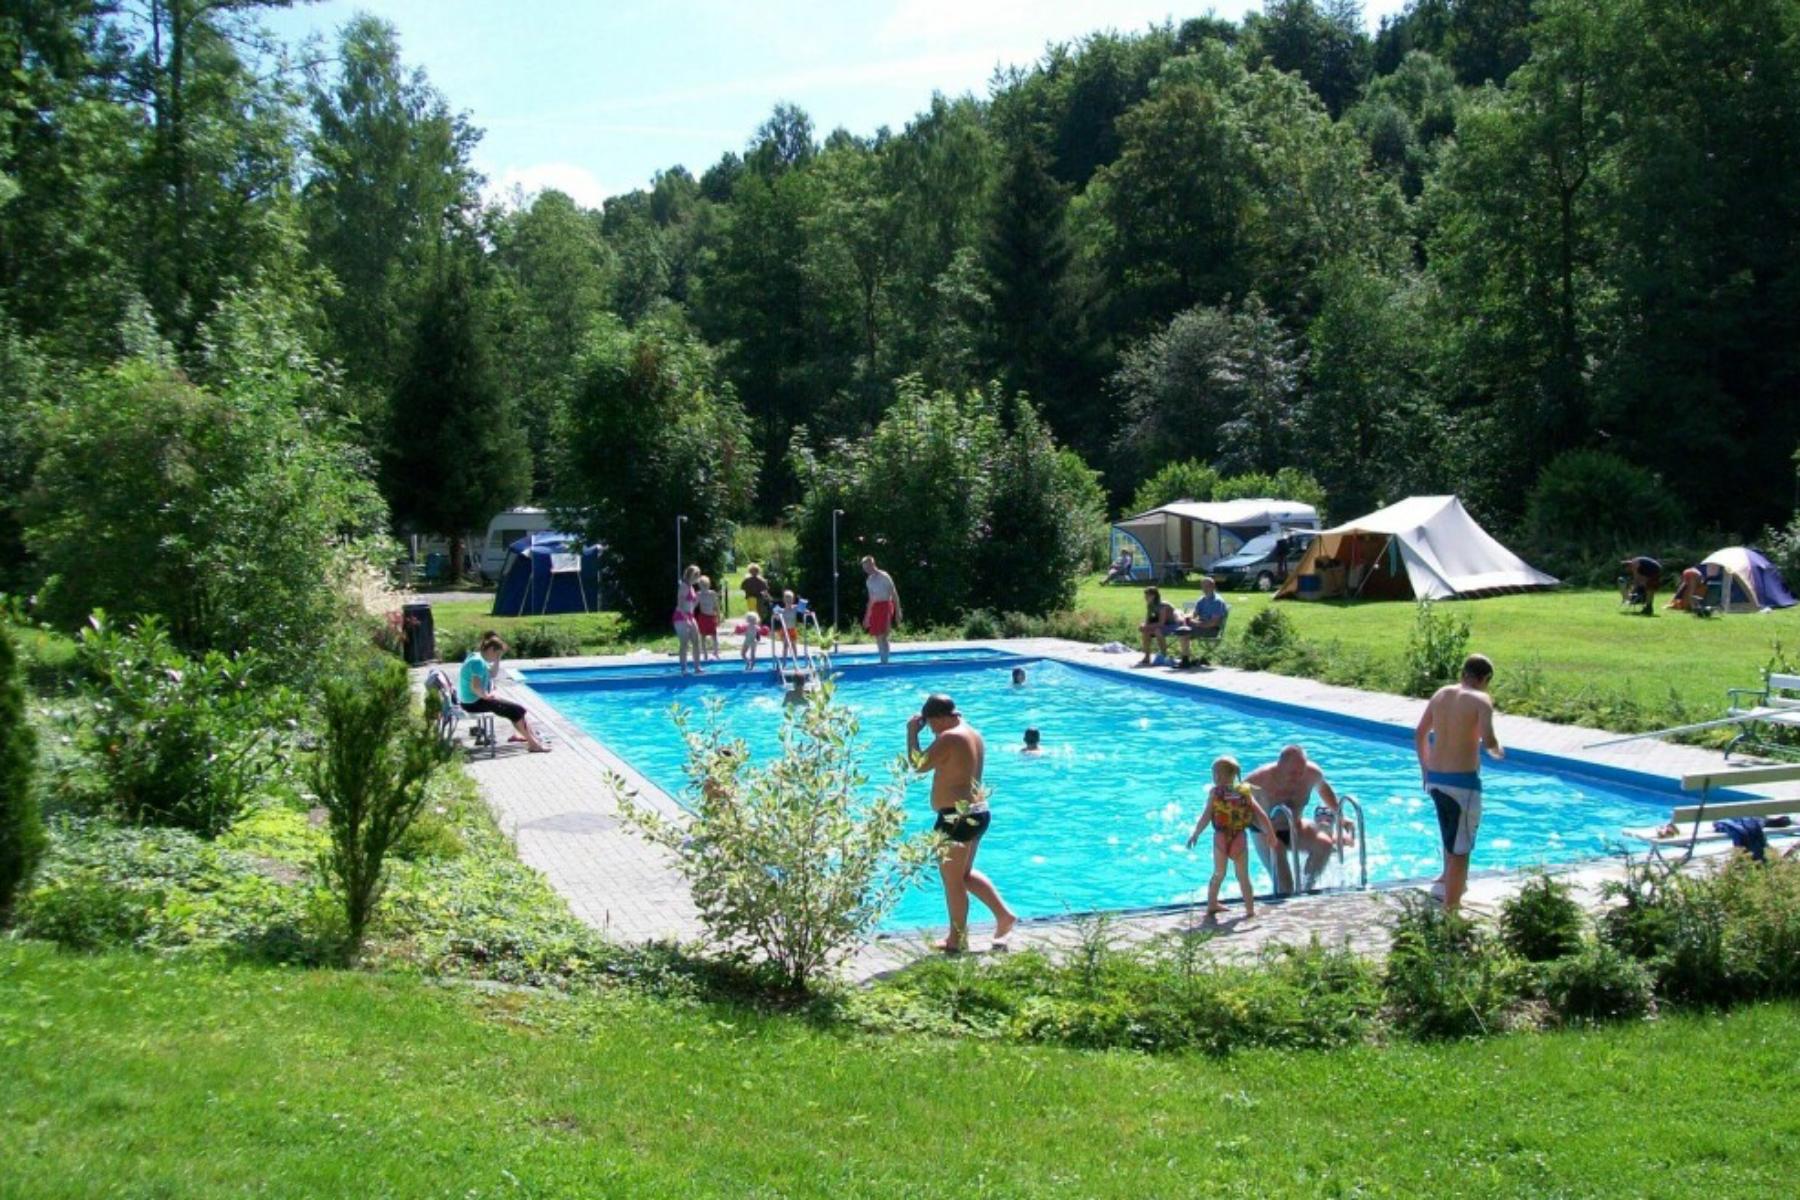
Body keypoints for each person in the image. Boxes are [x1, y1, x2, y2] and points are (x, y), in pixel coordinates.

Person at [908, 694, 1017, 952]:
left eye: (931, 725)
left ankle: (956, 940)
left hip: (956, 817)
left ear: (939, 718)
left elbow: (919, 765)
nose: (931, 730)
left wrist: (912, 733)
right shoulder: (972, 734)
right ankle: (1004, 916)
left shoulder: (950, 737)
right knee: (964, 875)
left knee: (953, 881)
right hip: (977, 812)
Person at [1415, 653, 1504, 911]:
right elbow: (1488, 740)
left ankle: (1446, 878)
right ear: (1485, 679)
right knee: (1461, 849)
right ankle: (1451, 910)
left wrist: (1425, 768)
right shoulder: (1481, 700)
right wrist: (1498, 750)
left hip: (1436, 779)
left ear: (1463, 673)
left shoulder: (1441, 694)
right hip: (1462, 784)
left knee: (1450, 833)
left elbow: (1420, 733)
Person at [1244, 745, 1344, 893]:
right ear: (1279, 766)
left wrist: (1340, 815)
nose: (1297, 777)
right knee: (1285, 887)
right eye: (1292, 773)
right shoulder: (1257, 780)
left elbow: (1323, 789)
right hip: (1265, 833)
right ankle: (1285, 892)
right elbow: (1235, 804)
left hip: (1294, 826)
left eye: (1300, 772)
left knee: (1324, 844)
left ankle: (1306, 887)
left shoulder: (1312, 773)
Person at [1186, 756, 1275, 920]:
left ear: (1218, 775)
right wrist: (1270, 833)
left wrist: (1195, 833)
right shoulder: (1245, 792)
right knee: (1243, 877)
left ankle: (1212, 904)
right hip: (1239, 837)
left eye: (1214, 774)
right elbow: (1260, 814)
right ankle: (1250, 910)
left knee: (1218, 874)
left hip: (1221, 837)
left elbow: (1206, 816)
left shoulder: (1215, 793)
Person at [458, 636, 549, 753]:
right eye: (497, 654)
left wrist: (497, 659)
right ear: (491, 649)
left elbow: (492, 674)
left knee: (516, 710)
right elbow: (475, 687)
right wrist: (486, 696)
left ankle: (532, 739)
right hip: (474, 703)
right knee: (517, 710)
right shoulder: (477, 662)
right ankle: (533, 744)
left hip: (472, 701)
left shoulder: (477, 657)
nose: (497, 657)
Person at [1176, 577, 1229, 665]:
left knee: (1184, 632)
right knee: (1180, 628)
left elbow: (1214, 623)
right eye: (1203, 586)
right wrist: (1187, 617)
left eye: (1207, 586)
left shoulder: (1217, 602)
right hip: (1200, 626)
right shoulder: (1202, 600)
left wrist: (1196, 623)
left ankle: (1185, 660)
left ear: (1213, 586)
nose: (1204, 589)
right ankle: (1189, 658)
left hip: (1211, 630)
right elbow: (1194, 613)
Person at [862, 556, 902, 664]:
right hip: (876, 608)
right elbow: (871, 599)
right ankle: (883, 660)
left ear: (872, 564)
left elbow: (894, 594)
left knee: (883, 635)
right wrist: (867, 617)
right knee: (878, 636)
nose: (866, 570)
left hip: (886, 606)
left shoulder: (884, 576)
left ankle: (885, 661)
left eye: (867, 567)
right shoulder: (869, 581)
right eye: (864, 568)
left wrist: (898, 612)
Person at [1136, 587, 1183, 666]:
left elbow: (1161, 623)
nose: (1145, 597)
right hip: (1163, 625)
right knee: (1145, 632)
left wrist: (1147, 626)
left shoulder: (1162, 606)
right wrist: (1143, 626)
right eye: (1145, 595)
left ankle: (1163, 655)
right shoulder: (1150, 605)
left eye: (1147, 595)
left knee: (1158, 631)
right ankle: (1147, 657)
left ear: (1154, 596)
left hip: (1173, 625)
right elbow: (1148, 620)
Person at [673, 565, 704, 674]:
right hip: (681, 616)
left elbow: (691, 605)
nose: (698, 577)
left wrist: (697, 600)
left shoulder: (691, 587)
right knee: (684, 643)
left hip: (690, 616)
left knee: (696, 641)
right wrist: (686, 619)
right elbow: (680, 605)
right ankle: (684, 668)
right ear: (691, 575)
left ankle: (697, 667)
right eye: (696, 575)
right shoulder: (684, 586)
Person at [695, 575, 721, 661]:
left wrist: (718, 617)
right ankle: (705, 655)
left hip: (711, 617)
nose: (704, 587)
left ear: (709, 585)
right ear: (699, 586)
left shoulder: (712, 593)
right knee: (703, 637)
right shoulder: (699, 594)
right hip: (703, 617)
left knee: (714, 636)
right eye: (702, 586)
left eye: (706, 585)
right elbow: (694, 605)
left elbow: (717, 606)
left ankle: (716, 653)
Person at [771, 589, 803, 659]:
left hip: (792, 629)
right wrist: (775, 615)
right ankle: (784, 661)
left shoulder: (795, 608)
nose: (788, 600)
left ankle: (795, 660)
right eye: (787, 598)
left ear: (793, 600)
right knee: (785, 645)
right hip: (784, 630)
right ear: (784, 600)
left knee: (794, 645)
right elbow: (776, 617)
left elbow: (802, 608)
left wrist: (806, 610)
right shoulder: (781, 610)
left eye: (790, 598)